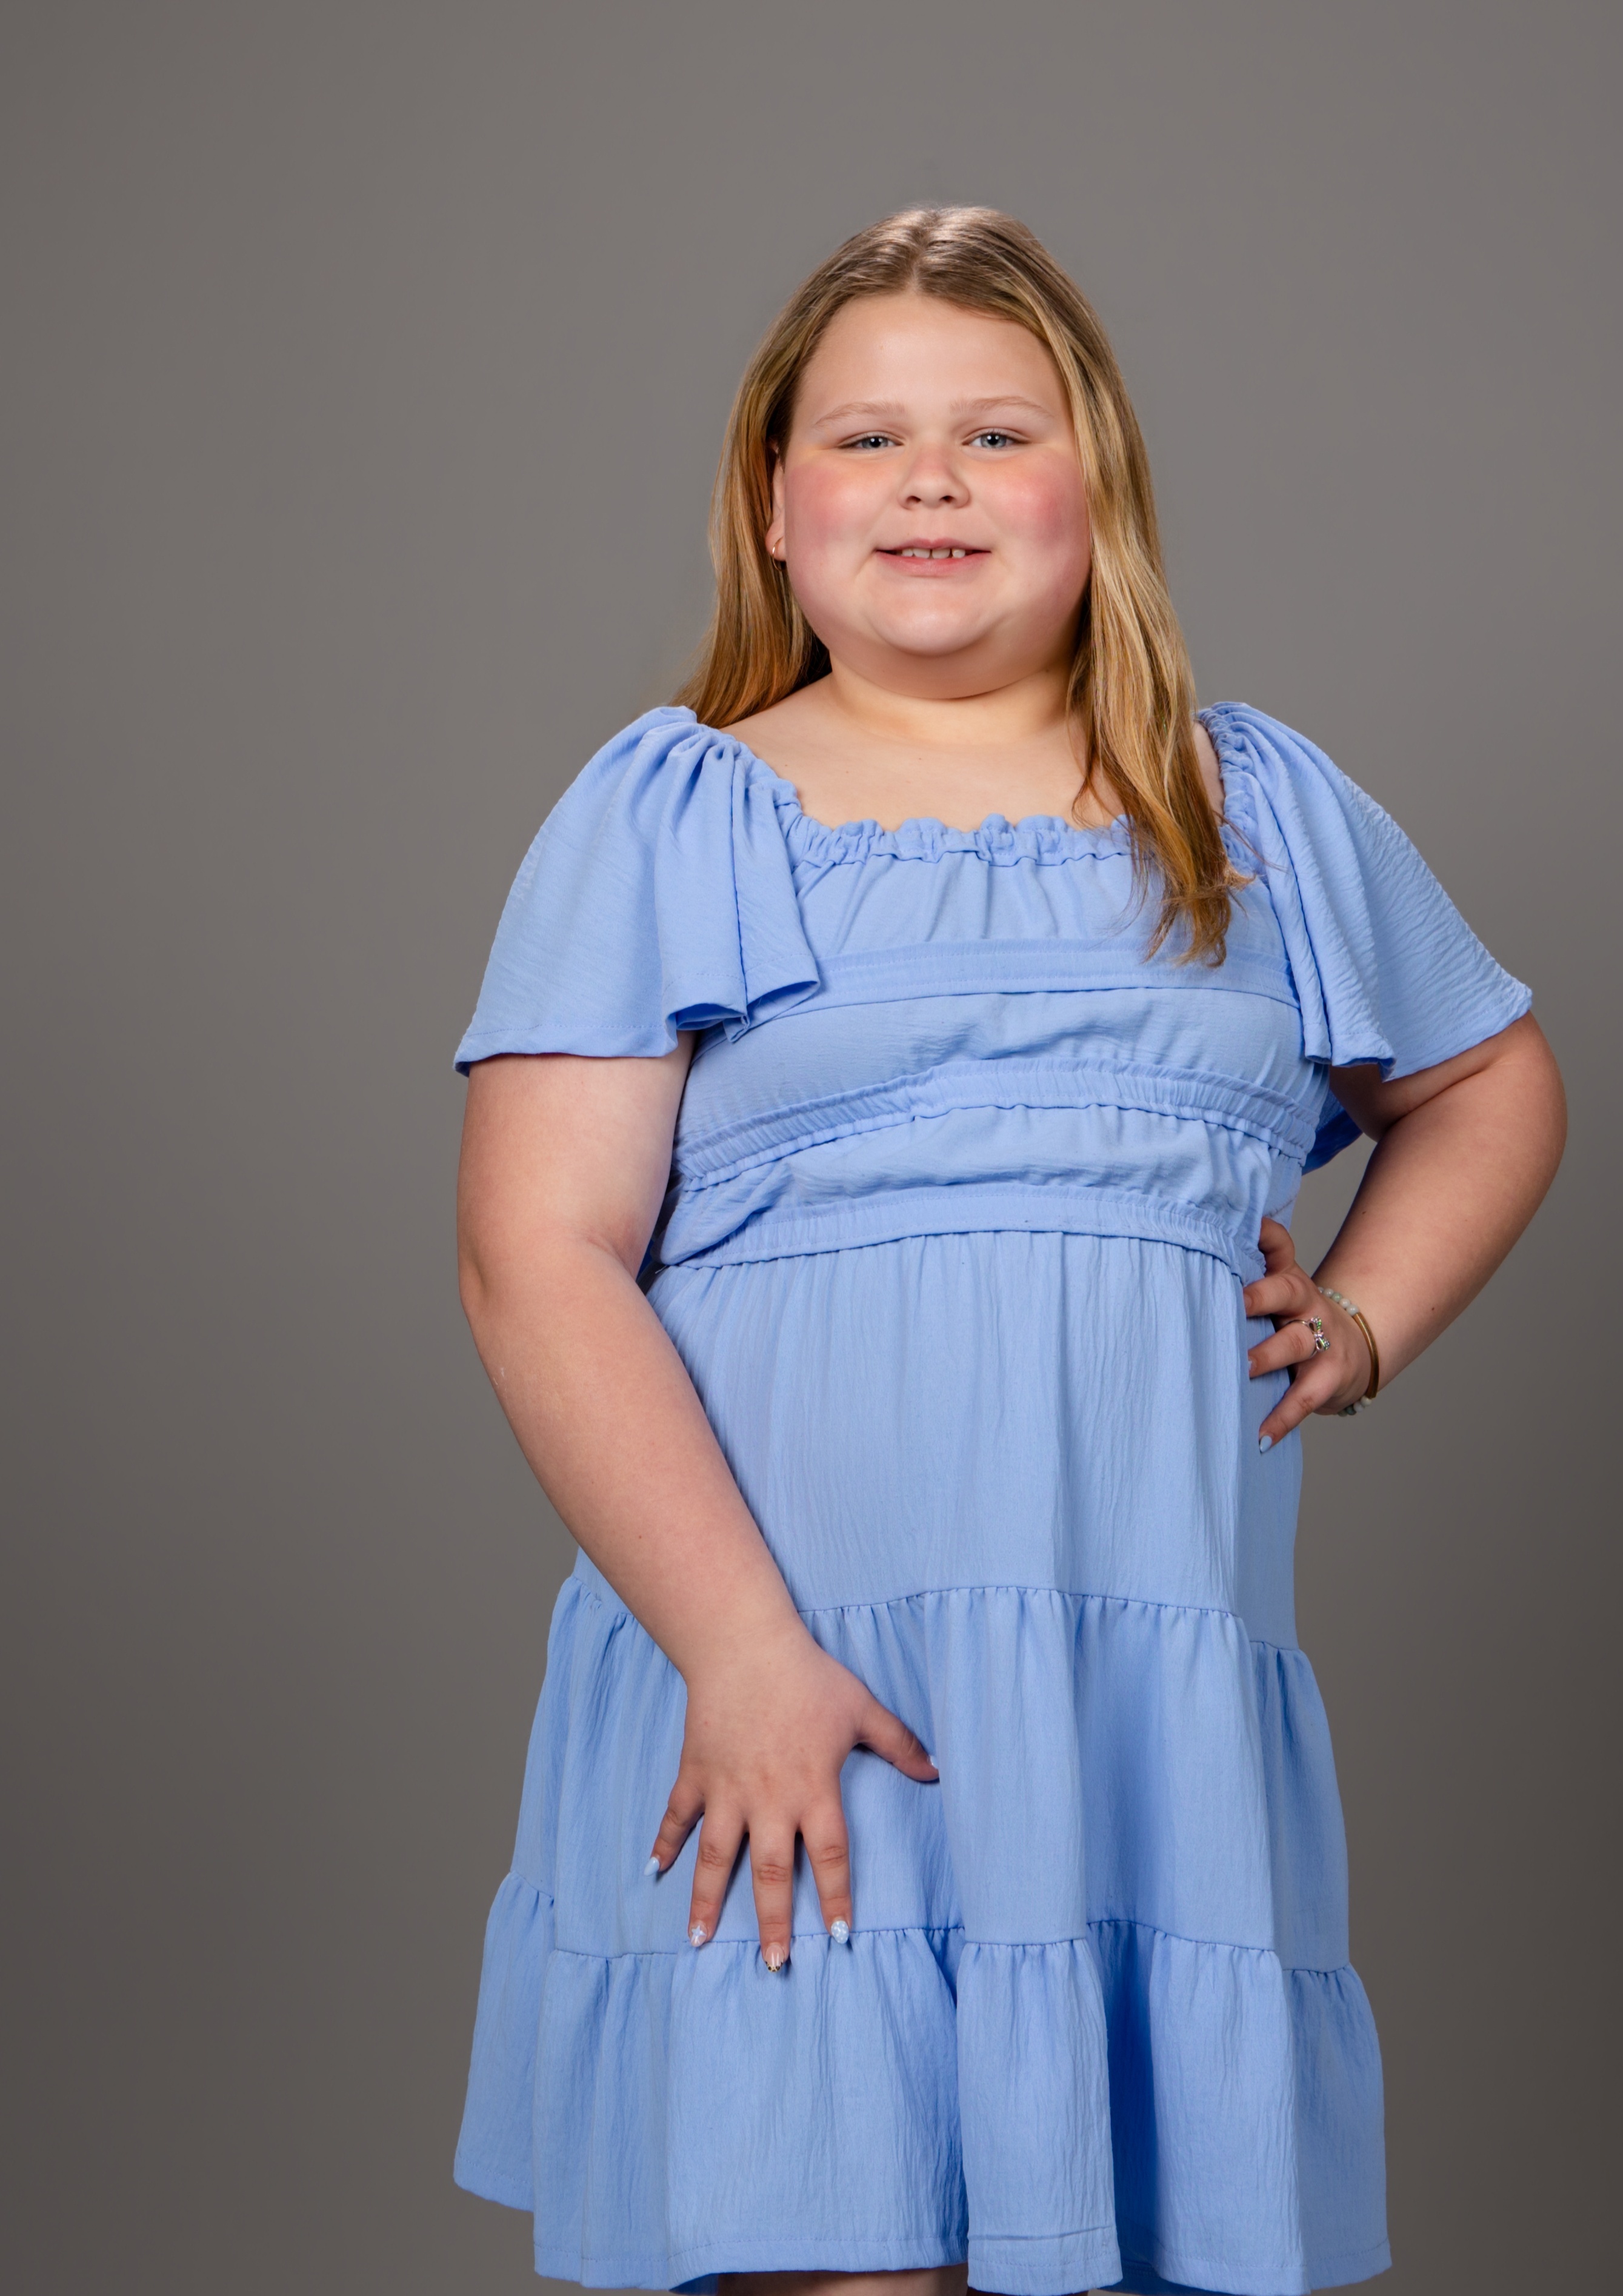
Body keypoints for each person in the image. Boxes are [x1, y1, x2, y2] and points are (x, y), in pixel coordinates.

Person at [448, 207, 1565, 2296]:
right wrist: (739, 1654)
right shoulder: (677, 811)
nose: (930, 482)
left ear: (1096, 485)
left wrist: (1363, 1314)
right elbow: (539, 1259)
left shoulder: (1249, 810)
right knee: (845, 2245)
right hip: (790, 1667)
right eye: (866, 438)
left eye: (995, 432)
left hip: (1133, 1695)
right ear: (773, 506)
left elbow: (1489, 1079)